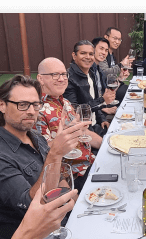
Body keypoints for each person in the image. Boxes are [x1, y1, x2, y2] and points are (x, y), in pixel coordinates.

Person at [0, 74, 89, 239]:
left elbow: (60, 177)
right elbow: (31, 207)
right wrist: (55, 154)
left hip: (56, 221)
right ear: (1, 105)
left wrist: (78, 205)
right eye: (22, 105)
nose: (31, 112)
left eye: (35, 105)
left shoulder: (33, 136)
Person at [36, 57, 101, 191]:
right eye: (55, 75)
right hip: (72, 176)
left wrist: (105, 145)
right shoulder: (37, 111)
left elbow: (83, 132)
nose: (62, 79)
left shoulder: (65, 101)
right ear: (40, 78)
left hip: (90, 162)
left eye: (64, 74)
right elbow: (43, 154)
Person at [63, 40, 115, 137]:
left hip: (95, 124)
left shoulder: (91, 73)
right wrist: (103, 100)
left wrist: (102, 119)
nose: (88, 57)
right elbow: (75, 111)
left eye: (91, 54)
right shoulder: (69, 79)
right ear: (74, 56)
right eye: (83, 53)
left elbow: (92, 100)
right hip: (83, 131)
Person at [98, 27, 132, 102]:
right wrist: (120, 65)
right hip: (104, 91)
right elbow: (105, 72)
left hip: (113, 87)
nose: (117, 42)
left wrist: (121, 76)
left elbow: (113, 77)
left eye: (119, 39)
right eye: (115, 38)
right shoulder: (101, 55)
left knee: (133, 91)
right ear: (106, 37)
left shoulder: (111, 55)